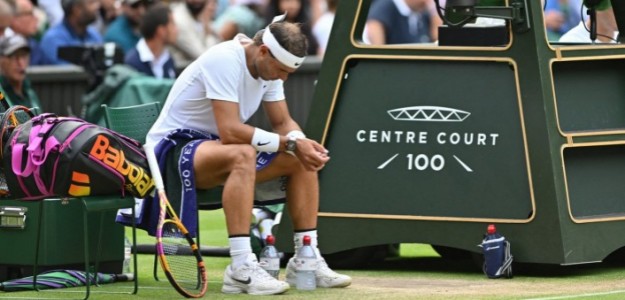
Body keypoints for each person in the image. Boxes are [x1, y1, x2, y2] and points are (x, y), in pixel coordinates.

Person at [145, 17, 352, 295]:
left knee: (298, 157)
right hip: (172, 152)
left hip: (217, 149)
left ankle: (306, 258)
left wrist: (302, 144)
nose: (283, 78)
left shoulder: (270, 67)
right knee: (244, 153)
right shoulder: (224, 59)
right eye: (281, 70)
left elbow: (283, 122)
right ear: (263, 51)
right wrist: (289, 144)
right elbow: (230, 131)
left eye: (288, 72)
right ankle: (240, 268)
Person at [39, 0, 103, 65]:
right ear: (76, 10)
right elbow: (68, 72)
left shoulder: (94, 35)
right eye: (92, 3)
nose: (98, 6)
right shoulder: (53, 39)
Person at [124, 3, 177, 79]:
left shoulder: (168, 59)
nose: (176, 30)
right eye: (172, 24)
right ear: (161, 31)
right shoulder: (132, 64)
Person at [169, 0, 220, 68]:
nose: (197, 1)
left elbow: (219, 45)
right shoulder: (179, 19)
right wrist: (208, 31)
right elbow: (204, 57)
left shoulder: (200, 15)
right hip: (180, 71)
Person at [365, 0, 437, 45]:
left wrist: (434, 12)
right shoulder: (387, 5)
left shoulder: (422, 11)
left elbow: (435, 37)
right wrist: (379, 56)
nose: (427, 1)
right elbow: (374, 25)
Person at [0, 34, 42, 109]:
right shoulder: (1, 96)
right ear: (1, 60)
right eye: (14, 56)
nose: (21, 63)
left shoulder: (30, 93)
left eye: (24, 56)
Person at [8, 0, 48, 65]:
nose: (36, 18)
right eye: (30, 14)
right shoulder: (4, 47)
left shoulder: (33, 44)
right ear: (14, 18)